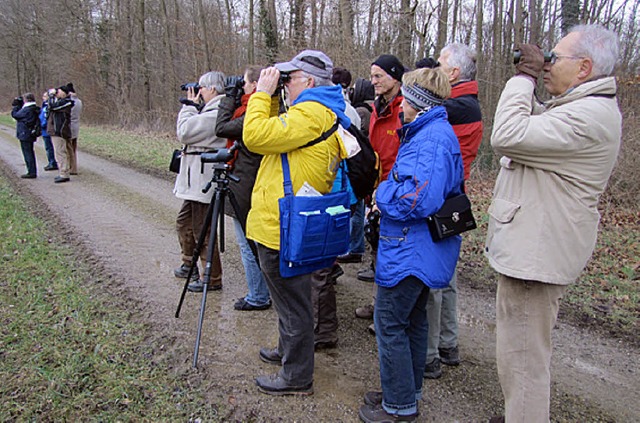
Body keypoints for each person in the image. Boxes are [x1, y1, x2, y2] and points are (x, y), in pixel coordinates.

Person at [486, 24, 622, 422]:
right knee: (519, 359)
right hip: (533, 250)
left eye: (554, 58)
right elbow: (528, 126)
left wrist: (523, 77)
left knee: (524, 364)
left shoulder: (590, 116)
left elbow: (508, 134)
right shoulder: (578, 108)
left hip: (537, 257)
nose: (546, 65)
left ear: (584, 68)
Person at [359, 67, 464, 422]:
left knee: (389, 321)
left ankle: (400, 406)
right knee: (413, 319)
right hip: (420, 247)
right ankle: (405, 391)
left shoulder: (429, 139)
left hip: (411, 249)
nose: (399, 104)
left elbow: (417, 199)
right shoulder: (430, 133)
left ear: (416, 102)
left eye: (405, 98)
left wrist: (380, 194)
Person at [242, 50, 349, 396]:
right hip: (283, 221)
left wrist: (260, 93)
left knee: (293, 304)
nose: (285, 84)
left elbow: (255, 137)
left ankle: (297, 377)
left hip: (283, 226)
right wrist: (273, 99)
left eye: (290, 79)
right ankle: (290, 352)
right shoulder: (313, 111)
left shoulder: (312, 113)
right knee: (289, 299)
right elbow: (272, 137)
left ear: (311, 82)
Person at [417, 43, 484, 379]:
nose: (435, 69)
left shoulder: (456, 106)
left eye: (440, 65)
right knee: (448, 275)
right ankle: (447, 343)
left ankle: (429, 354)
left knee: (433, 278)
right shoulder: (465, 103)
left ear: (454, 73)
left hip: (440, 198)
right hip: (453, 198)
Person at [215, 66, 271, 310]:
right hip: (252, 181)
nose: (242, 87)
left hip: (245, 184)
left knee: (248, 243)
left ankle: (258, 295)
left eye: (245, 84)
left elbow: (222, 127)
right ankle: (262, 292)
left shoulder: (252, 112)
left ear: (257, 85)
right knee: (256, 242)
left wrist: (228, 96)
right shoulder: (261, 107)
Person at [355, 54, 405, 326]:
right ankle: (378, 304)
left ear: (395, 78)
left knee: (389, 251)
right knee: (375, 248)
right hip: (375, 188)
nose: (372, 81)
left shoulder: (403, 108)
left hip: (393, 191)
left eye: (379, 76)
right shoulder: (378, 107)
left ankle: (387, 312)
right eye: (372, 75)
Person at [173, 71, 227, 292]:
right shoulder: (208, 110)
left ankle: (212, 277)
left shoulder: (217, 112)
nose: (198, 92)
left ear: (213, 89)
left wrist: (188, 106)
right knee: (184, 224)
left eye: (201, 88)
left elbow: (184, 132)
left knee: (202, 230)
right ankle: (189, 263)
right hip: (193, 181)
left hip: (203, 182)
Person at [47, 85, 75, 183]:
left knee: (60, 152)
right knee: (61, 152)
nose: (57, 94)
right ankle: (64, 171)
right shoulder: (61, 102)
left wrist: (51, 96)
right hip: (58, 130)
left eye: (58, 92)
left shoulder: (67, 102)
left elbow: (52, 107)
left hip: (60, 131)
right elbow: (49, 109)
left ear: (64, 92)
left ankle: (64, 173)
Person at [11, 93, 41, 179]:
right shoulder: (34, 108)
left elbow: (16, 115)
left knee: (27, 152)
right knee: (30, 151)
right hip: (30, 133)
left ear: (26, 100)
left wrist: (16, 106)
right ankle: (32, 170)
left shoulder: (28, 109)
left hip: (25, 133)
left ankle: (31, 172)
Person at [40, 91, 58, 171]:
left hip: (47, 131)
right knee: (49, 147)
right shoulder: (45, 107)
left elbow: (45, 119)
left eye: (44, 96)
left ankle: (52, 162)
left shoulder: (47, 108)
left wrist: (41, 125)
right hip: (46, 130)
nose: (43, 98)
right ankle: (52, 162)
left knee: (49, 148)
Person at [67, 83, 83, 175]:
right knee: (73, 148)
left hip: (69, 126)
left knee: (69, 149)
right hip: (76, 126)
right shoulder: (79, 101)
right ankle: (73, 167)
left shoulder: (69, 102)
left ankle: (72, 167)